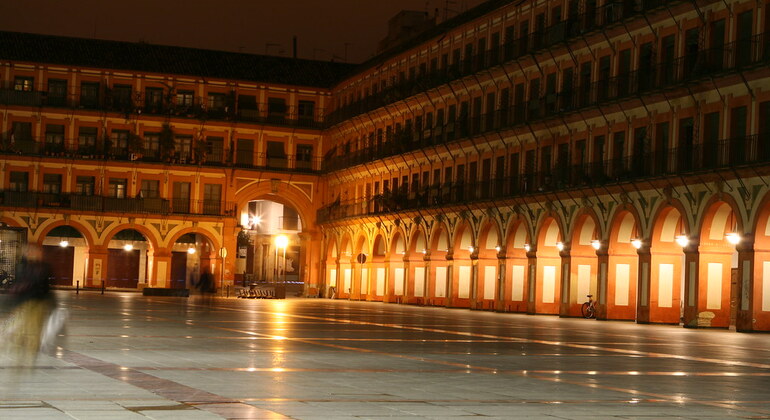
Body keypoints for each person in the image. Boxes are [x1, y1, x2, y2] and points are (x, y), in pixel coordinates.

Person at [2, 243, 61, 366]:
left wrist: (51, 302)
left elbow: (47, 286)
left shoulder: (41, 267)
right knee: (22, 325)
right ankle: (22, 350)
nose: (32, 253)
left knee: (33, 327)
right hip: (26, 301)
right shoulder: (24, 266)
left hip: (38, 302)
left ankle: (28, 354)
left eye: (33, 251)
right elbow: (19, 284)